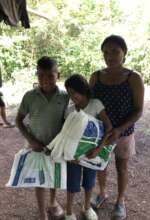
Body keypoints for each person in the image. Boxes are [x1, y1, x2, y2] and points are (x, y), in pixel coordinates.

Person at [89, 35, 144, 219]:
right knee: (100, 166)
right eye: (105, 52)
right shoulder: (96, 76)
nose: (109, 56)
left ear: (124, 53)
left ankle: (120, 201)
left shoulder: (133, 78)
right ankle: (103, 193)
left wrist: (120, 129)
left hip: (124, 133)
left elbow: (138, 110)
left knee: (122, 167)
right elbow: (90, 104)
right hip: (100, 133)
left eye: (115, 51)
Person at [16, 56, 69, 220]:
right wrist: (31, 141)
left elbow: (69, 121)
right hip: (36, 146)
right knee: (39, 180)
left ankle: (53, 203)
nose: (45, 80)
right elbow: (18, 120)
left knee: (53, 177)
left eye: (50, 76)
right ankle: (41, 213)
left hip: (56, 147)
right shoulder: (29, 96)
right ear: (37, 75)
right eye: (41, 76)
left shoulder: (65, 97)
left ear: (58, 75)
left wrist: (62, 142)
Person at [64, 74, 112, 220]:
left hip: (92, 154)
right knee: (72, 183)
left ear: (83, 90)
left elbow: (108, 128)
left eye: (74, 92)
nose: (72, 97)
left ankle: (87, 207)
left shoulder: (95, 104)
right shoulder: (70, 110)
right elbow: (65, 134)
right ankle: (69, 211)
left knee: (89, 182)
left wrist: (99, 149)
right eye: (69, 93)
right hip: (74, 156)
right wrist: (70, 155)